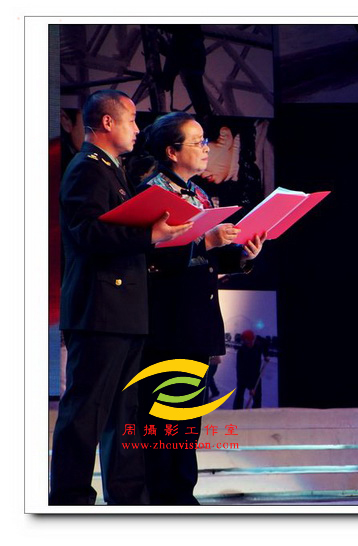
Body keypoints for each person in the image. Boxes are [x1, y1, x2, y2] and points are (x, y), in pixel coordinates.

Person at [50, 90, 192, 505]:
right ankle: (70, 499)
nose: (137, 129)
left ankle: (129, 498)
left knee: (124, 414)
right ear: (108, 123)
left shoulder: (113, 170)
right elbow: (87, 232)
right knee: (86, 412)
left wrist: (159, 233)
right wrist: (149, 234)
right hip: (100, 310)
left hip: (124, 310)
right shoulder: (87, 168)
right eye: (131, 120)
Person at [135, 111, 266, 504]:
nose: (206, 149)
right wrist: (206, 242)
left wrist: (242, 255)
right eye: (197, 142)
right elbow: (147, 259)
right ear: (172, 152)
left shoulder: (200, 194)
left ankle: (182, 494)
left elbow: (205, 259)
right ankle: (163, 497)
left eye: (206, 141)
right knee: (164, 416)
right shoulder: (152, 194)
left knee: (188, 418)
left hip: (197, 321)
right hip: (167, 322)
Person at [233, 330, 266, 409]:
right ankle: (237, 411)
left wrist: (266, 355)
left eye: (250, 341)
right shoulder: (242, 351)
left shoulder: (258, 345)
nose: (248, 343)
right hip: (243, 376)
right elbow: (242, 370)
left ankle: (256, 411)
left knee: (257, 397)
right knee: (240, 394)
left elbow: (265, 345)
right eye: (246, 341)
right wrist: (251, 387)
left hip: (256, 375)